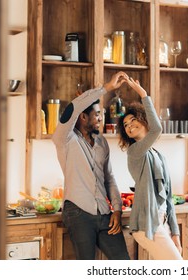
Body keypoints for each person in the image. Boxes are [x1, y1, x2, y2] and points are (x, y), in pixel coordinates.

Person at [52, 71, 130, 260]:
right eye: (97, 114)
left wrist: (117, 210)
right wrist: (106, 88)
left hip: (104, 213)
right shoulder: (65, 139)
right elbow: (73, 107)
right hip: (78, 213)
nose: (101, 118)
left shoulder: (102, 142)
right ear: (83, 117)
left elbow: (109, 178)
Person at [116, 77, 183, 260]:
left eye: (132, 121)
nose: (129, 126)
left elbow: (168, 198)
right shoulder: (135, 151)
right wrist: (143, 95)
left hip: (161, 222)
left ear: (143, 119)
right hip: (146, 224)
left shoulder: (159, 156)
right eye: (125, 125)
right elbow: (157, 129)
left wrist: (175, 234)